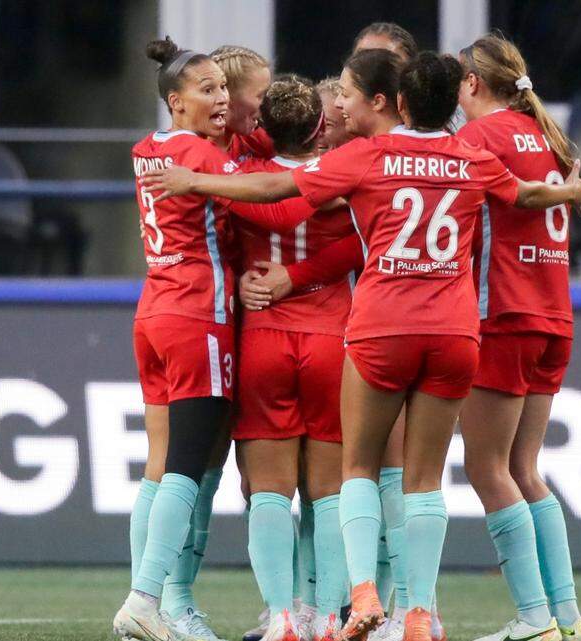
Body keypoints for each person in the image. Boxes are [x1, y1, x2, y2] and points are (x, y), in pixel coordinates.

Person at [141, 48, 581, 641]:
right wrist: (567, 192)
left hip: (367, 330)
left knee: (338, 473)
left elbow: (278, 188)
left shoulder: (367, 157)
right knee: (422, 479)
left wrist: (195, 179)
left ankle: (332, 605)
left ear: (397, 101)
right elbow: (525, 196)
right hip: (451, 332)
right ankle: (418, 613)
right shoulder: (472, 155)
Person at [116, 37, 316, 641]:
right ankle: (151, 599)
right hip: (197, 313)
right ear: (176, 102)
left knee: (162, 467)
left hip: (155, 309)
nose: (226, 102)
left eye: (227, 90)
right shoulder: (203, 158)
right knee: (188, 468)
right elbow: (275, 203)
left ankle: (165, 605)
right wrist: (321, 176)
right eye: (212, 91)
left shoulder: (148, 148)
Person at [454, 34, 581, 641]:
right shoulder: (548, 137)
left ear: (474, 85)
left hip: (502, 314)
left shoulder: (479, 138)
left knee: (487, 468)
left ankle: (534, 620)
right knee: (525, 469)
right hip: (552, 315)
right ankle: (567, 618)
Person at [230, 73, 364, 641]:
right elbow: (364, 244)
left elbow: (230, 232)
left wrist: (243, 278)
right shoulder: (346, 178)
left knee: (268, 491)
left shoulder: (239, 180)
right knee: (329, 492)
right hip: (332, 334)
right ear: (320, 126)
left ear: (264, 128)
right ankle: (329, 617)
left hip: (264, 335)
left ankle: (282, 617)